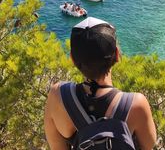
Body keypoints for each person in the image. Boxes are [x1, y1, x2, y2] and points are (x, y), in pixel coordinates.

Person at [44, 17, 157, 150]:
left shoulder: (57, 95)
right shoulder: (136, 104)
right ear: (117, 54)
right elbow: (148, 146)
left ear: (72, 59)